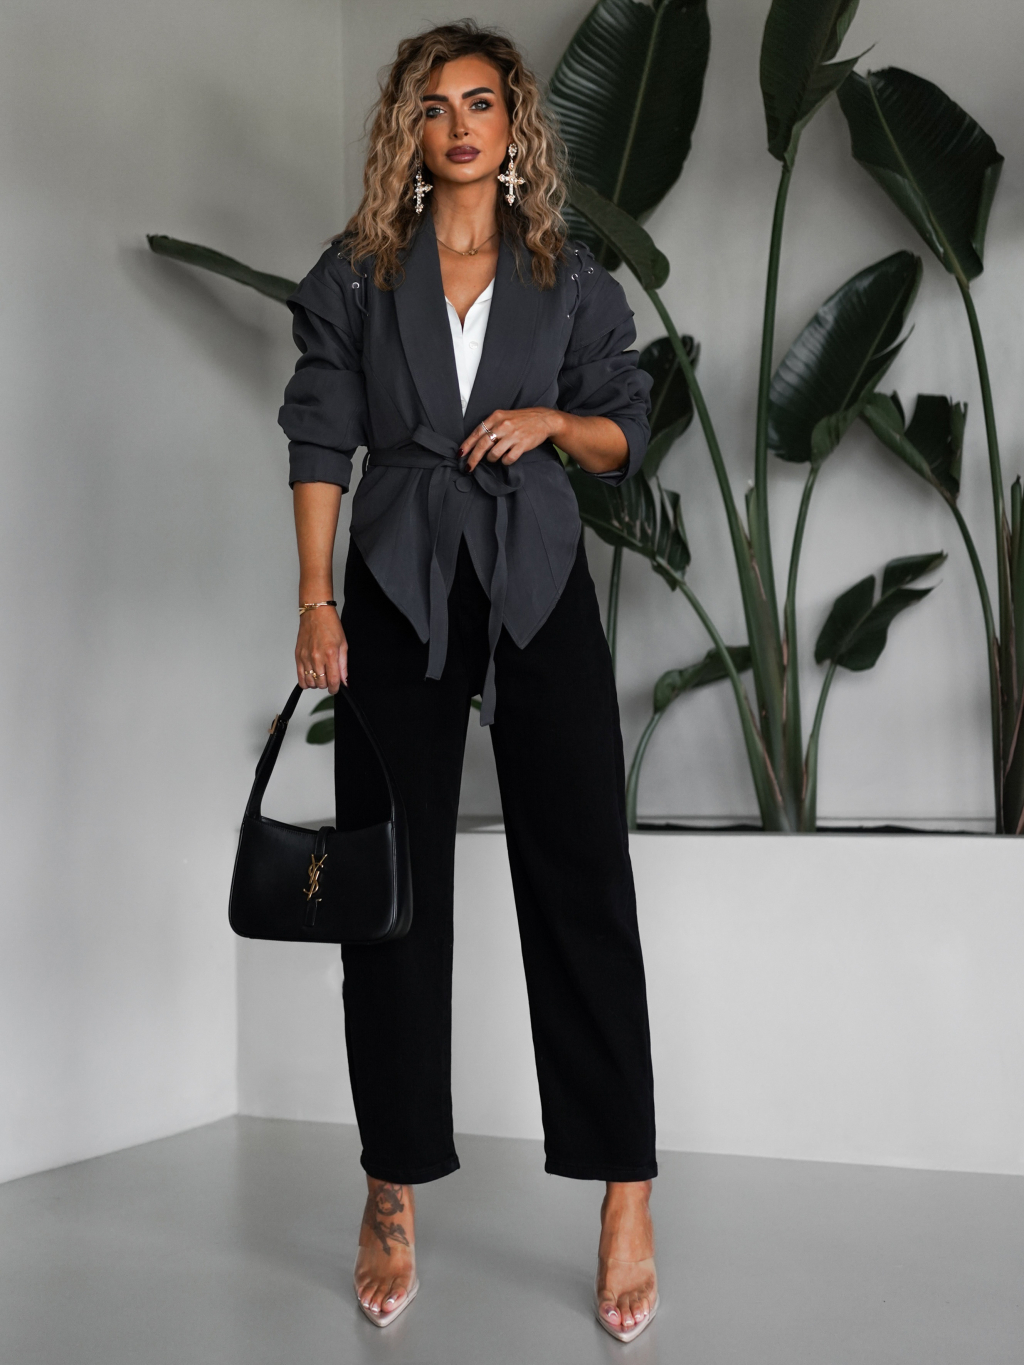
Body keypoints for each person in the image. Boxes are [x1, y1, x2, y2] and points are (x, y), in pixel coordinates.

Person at [278, 20, 658, 1344]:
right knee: (390, 890)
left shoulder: (568, 274)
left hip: (538, 577)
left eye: (480, 102)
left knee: (582, 873)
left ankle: (624, 1186)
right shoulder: (358, 273)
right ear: (410, 127)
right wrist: (317, 597)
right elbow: (318, 434)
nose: (458, 124)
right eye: (434, 105)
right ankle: (390, 1182)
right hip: (396, 581)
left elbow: (625, 429)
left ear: (513, 126)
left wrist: (554, 422)